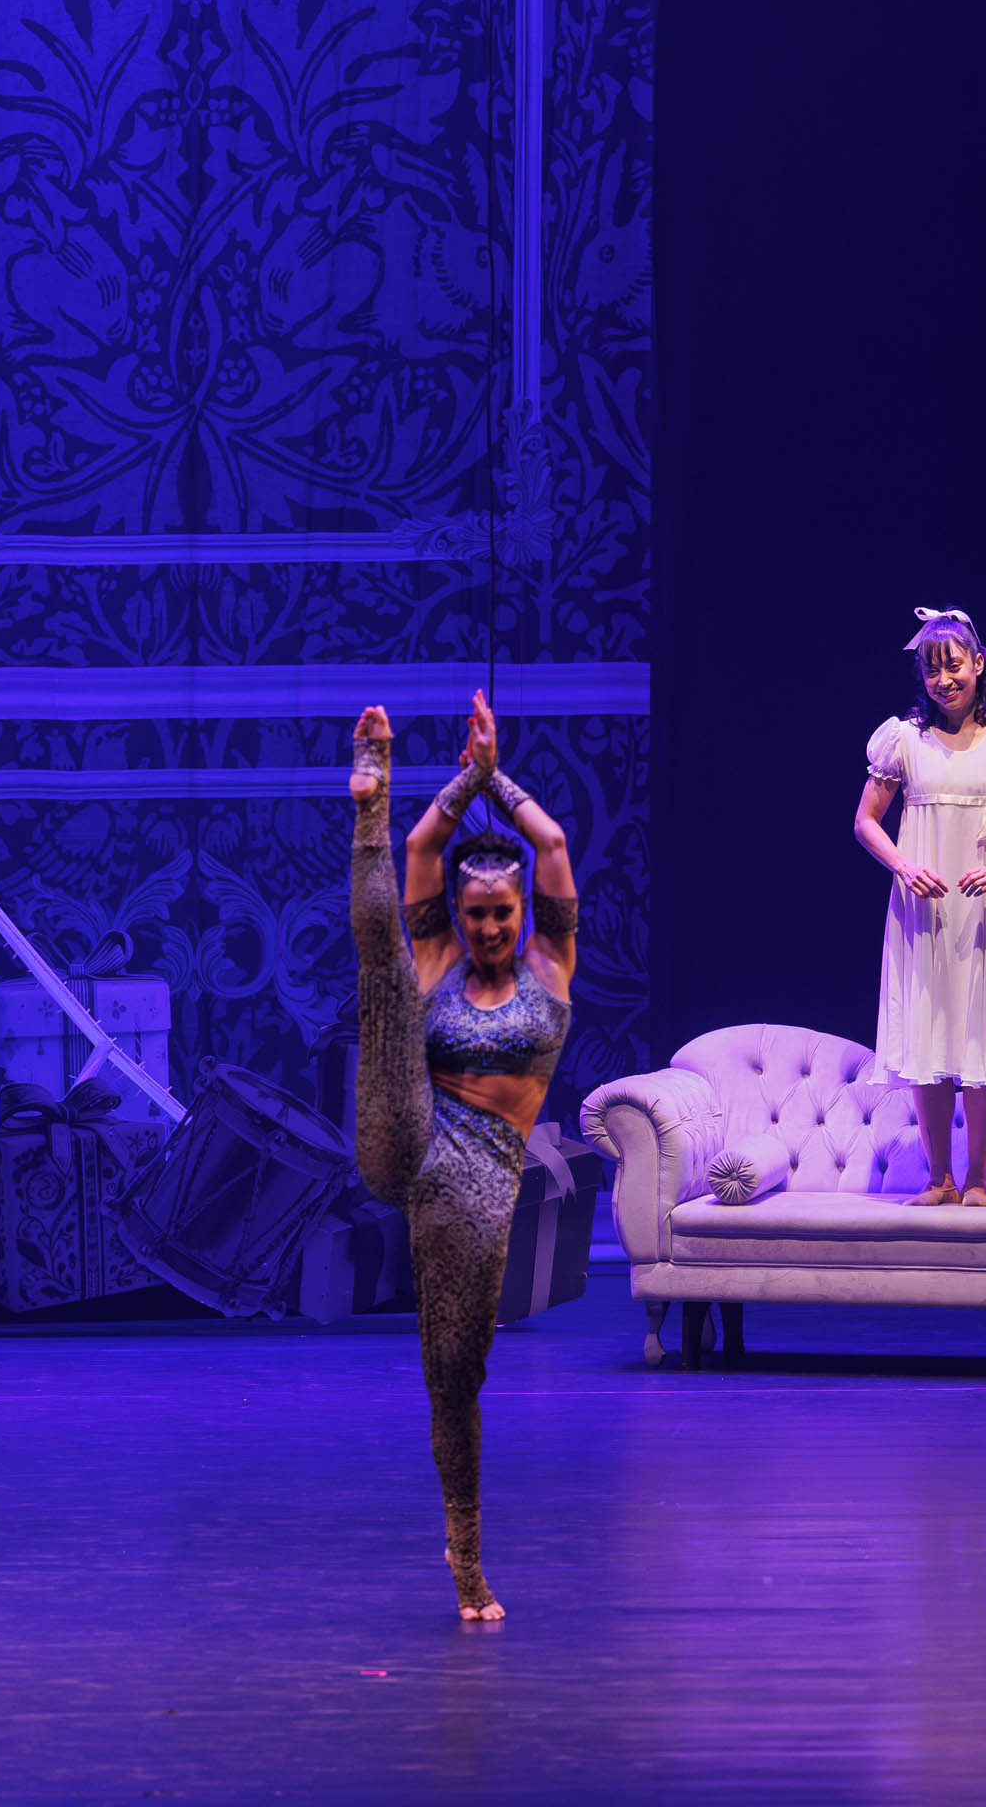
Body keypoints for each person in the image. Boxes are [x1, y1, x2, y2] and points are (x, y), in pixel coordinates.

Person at [348, 690, 578, 1619]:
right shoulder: (437, 956)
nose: (486, 928)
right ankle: (367, 796)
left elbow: (550, 842)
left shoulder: (550, 970)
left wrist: (494, 776)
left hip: (476, 1191)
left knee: (455, 1376)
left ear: (523, 913)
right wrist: (454, 787)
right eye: (475, 912)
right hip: (405, 1131)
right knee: (387, 975)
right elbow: (421, 852)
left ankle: (466, 1555)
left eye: (501, 914)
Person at [853, 607, 986, 1206]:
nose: (944, 680)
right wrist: (903, 864)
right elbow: (866, 821)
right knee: (929, 1030)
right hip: (924, 908)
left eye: (954, 666)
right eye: (932, 670)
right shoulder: (904, 741)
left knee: (982, 1030)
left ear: (978, 663)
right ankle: (938, 1178)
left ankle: (977, 1179)